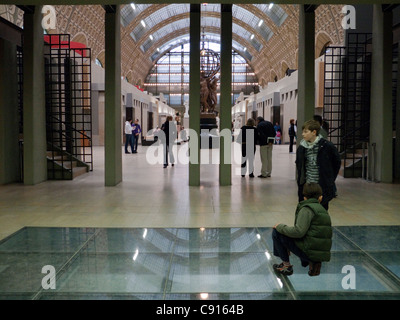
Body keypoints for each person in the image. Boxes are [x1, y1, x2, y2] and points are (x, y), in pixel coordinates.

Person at [272, 182, 332, 276]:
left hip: (309, 252)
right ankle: (312, 261)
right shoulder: (322, 210)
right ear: (320, 197)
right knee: (286, 233)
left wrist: (280, 226)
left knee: (277, 232)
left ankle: (286, 266)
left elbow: (298, 232)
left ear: (304, 197)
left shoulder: (307, 209)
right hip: (320, 253)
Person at [296, 119, 341, 210]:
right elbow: (299, 166)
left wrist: (330, 180)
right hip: (307, 186)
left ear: (314, 132)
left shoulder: (327, 146)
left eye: (306, 132)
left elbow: (336, 163)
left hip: (322, 187)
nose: (303, 134)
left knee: (321, 211)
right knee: (306, 211)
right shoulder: (302, 148)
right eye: (302, 132)